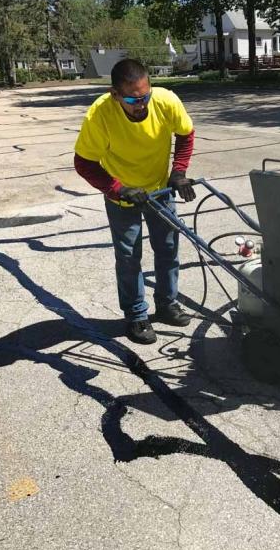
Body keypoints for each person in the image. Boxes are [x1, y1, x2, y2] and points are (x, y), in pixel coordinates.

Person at [73, 59, 196, 345]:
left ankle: (167, 305)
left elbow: (186, 133)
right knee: (129, 259)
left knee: (167, 249)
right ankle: (136, 315)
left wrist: (178, 172)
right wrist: (118, 188)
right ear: (115, 95)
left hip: (159, 191)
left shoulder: (166, 101)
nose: (141, 104)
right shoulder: (99, 115)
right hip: (123, 197)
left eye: (145, 96)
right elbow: (84, 163)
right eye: (132, 99)